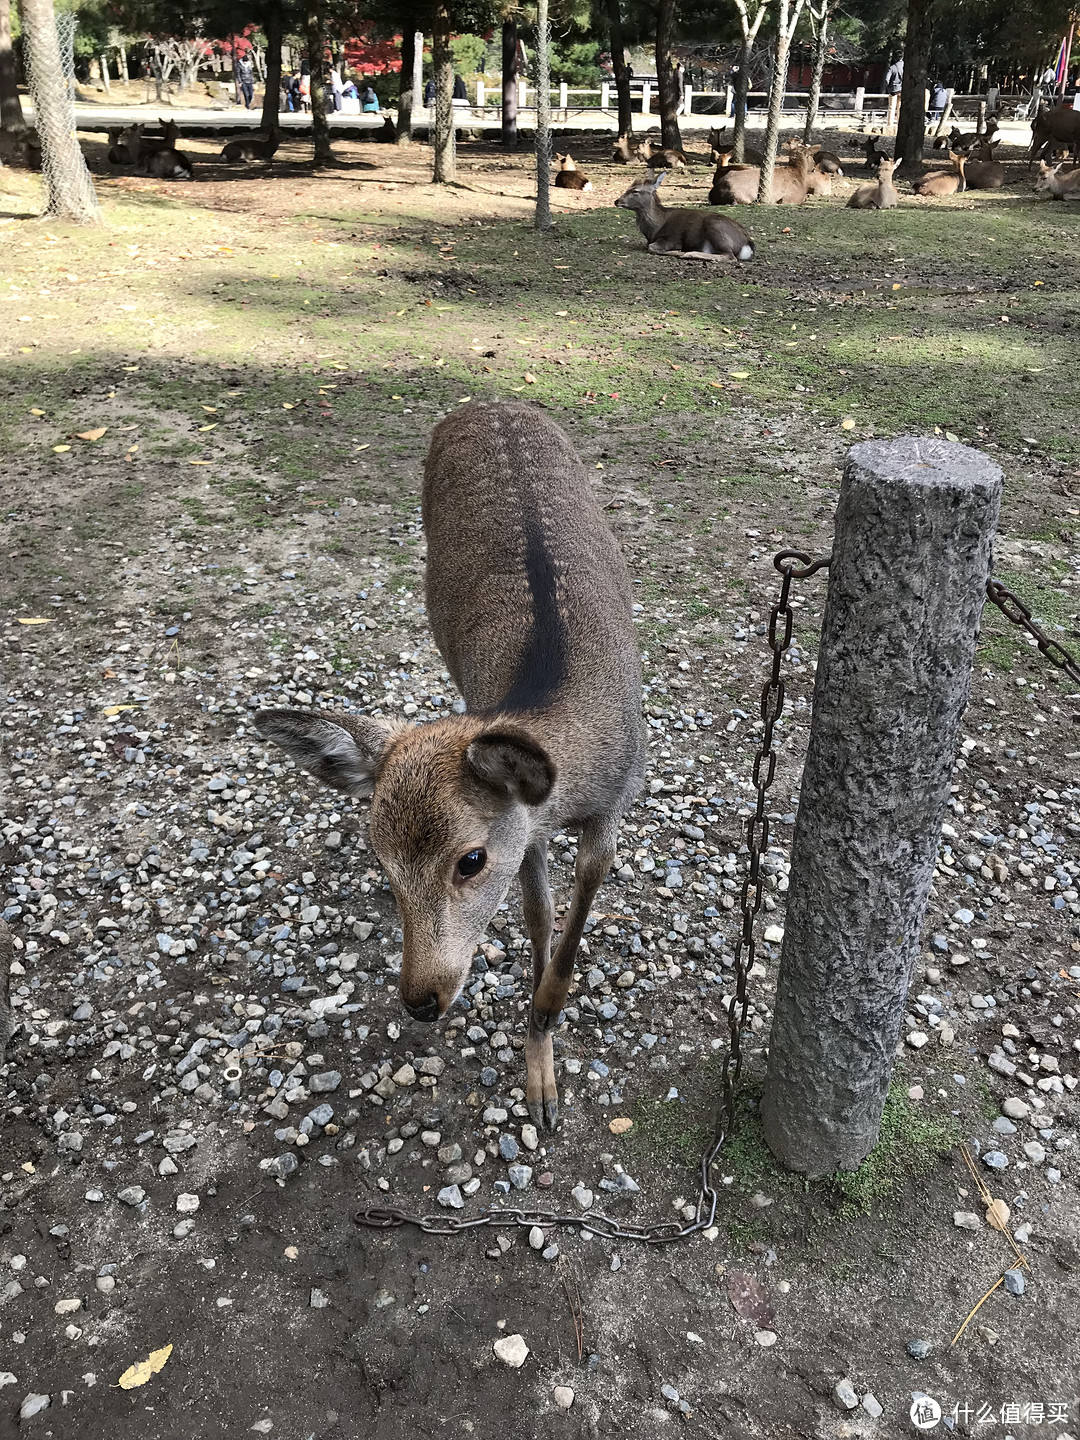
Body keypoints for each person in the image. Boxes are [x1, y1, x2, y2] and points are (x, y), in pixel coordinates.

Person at [884, 55, 903, 128]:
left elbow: (886, 79)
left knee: (891, 107)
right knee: (900, 107)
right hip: (902, 89)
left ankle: (890, 124)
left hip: (893, 89)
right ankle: (900, 123)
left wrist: (889, 87)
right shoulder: (906, 66)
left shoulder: (892, 68)